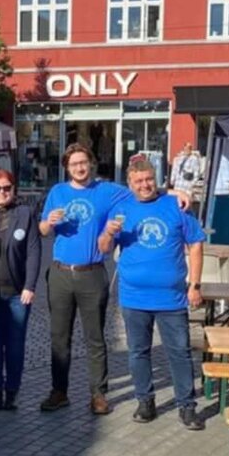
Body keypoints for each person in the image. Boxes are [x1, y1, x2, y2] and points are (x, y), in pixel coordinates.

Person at [39, 143, 191, 416]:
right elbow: (42, 230)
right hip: (60, 273)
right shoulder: (57, 192)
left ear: (91, 163)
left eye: (83, 162)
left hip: (92, 272)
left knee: (95, 338)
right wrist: (48, 222)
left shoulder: (107, 190)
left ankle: (98, 394)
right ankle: (58, 391)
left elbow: (142, 187)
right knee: (59, 337)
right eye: (74, 164)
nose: (79, 168)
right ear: (66, 168)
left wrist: (174, 192)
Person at [98, 161, 206, 430]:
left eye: (149, 179)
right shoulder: (122, 209)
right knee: (138, 352)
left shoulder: (176, 206)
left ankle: (187, 406)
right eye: (138, 181)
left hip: (171, 298)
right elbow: (103, 248)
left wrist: (194, 285)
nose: (145, 185)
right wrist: (108, 233)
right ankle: (145, 401)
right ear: (130, 184)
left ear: (155, 179)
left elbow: (195, 244)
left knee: (180, 353)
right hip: (134, 298)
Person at [0, 169, 41, 411]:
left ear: (14, 189)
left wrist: (30, 286)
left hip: (17, 293)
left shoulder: (25, 214)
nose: (2, 192)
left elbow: (34, 252)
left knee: (15, 346)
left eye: (6, 188)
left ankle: (12, 391)